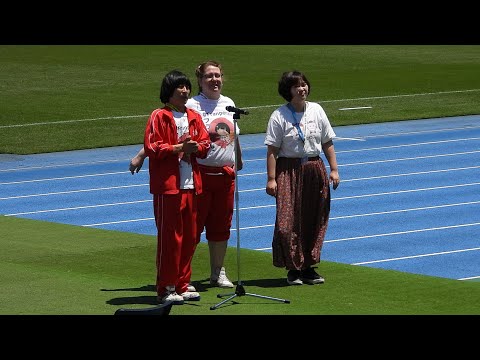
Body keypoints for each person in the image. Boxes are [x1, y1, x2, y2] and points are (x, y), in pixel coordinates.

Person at [130, 60, 243, 289]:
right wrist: (141, 155)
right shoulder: (189, 104)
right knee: (188, 230)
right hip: (198, 175)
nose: (215, 80)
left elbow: (232, 135)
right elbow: (166, 136)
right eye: (209, 76)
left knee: (220, 226)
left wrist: (238, 160)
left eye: (218, 75)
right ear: (199, 81)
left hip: (223, 174)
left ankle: (216, 272)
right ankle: (177, 280)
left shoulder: (228, 103)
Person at [264, 70, 340, 286]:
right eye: (296, 85)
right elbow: (272, 150)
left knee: (313, 217)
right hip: (288, 169)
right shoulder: (279, 115)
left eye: (304, 84)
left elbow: (327, 141)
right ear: (288, 90)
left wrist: (334, 169)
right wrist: (271, 178)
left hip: (314, 167)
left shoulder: (316, 110)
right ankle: (292, 267)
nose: (302, 88)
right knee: (286, 222)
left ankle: (307, 267)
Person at [143, 69, 210, 304]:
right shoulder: (159, 116)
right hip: (169, 188)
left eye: (186, 86)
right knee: (170, 238)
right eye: (179, 87)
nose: (184, 91)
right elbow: (152, 147)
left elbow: (205, 143)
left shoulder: (193, 116)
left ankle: (182, 283)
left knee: (190, 236)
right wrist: (178, 148)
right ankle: (166, 287)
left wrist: (195, 148)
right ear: (169, 92)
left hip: (192, 185)